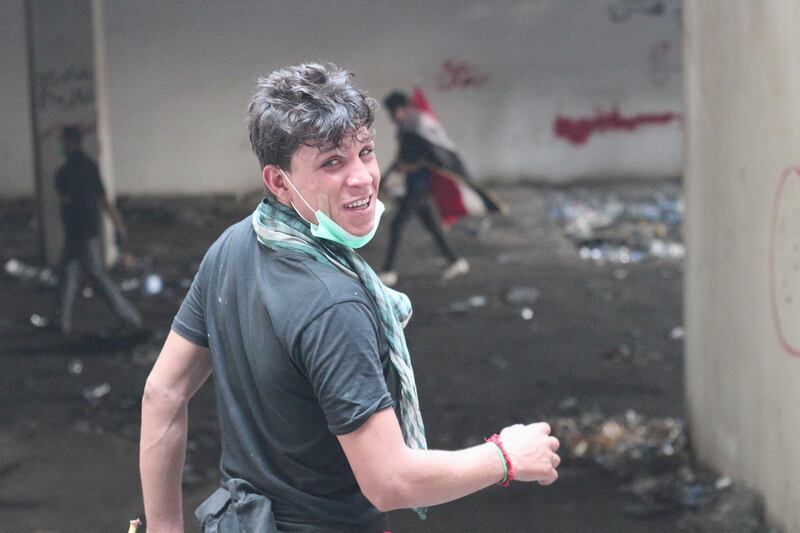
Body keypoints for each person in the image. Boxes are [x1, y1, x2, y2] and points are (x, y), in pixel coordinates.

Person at [139, 63, 560, 533]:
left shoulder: (232, 247)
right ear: (278, 181)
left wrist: (162, 528)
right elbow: (390, 480)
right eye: (332, 162)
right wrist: (504, 456)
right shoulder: (333, 304)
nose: (362, 177)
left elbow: (163, 391)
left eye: (365, 151)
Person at [379, 89, 504, 287]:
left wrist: (411, 167)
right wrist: (384, 179)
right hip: (414, 186)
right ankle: (456, 261)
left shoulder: (416, 131)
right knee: (432, 226)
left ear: (401, 109)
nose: (392, 116)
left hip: (419, 187)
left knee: (397, 226)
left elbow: (430, 158)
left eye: (393, 111)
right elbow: (401, 159)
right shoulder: (406, 129)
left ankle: (388, 271)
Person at [54, 125, 142, 335]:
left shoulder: (66, 171)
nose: (60, 146)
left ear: (69, 142)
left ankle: (129, 318)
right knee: (67, 272)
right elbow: (103, 198)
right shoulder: (89, 165)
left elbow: (66, 198)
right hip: (87, 230)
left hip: (78, 232)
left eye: (62, 141)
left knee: (96, 275)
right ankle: (60, 321)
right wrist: (117, 223)